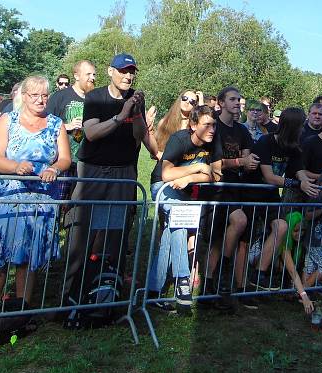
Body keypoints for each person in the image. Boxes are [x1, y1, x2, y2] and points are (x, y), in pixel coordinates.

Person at [0, 75, 71, 337]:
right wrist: (15, 168)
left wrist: (54, 168)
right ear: (23, 96)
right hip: (6, 196)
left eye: (44, 95)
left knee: (30, 257)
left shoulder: (56, 124)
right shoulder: (8, 120)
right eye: (34, 95)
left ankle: (21, 315)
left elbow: (65, 159)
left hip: (40, 198)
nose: (40, 100)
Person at [64, 53, 157, 303]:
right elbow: (91, 133)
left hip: (123, 172)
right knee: (82, 230)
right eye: (123, 70)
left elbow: (138, 135)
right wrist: (120, 115)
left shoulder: (136, 97)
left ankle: (106, 289)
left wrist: (136, 114)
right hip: (93, 170)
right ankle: (71, 290)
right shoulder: (96, 97)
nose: (128, 75)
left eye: (132, 71)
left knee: (115, 231)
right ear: (110, 72)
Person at [147, 105, 222, 313]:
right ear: (193, 125)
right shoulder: (179, 139)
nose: (212, 130)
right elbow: (166, 175)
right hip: (161, 187)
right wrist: (197, 167)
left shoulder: (214, 141)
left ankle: (153, 291)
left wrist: (190, 177)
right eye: (207, 125)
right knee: (180, 221)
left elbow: (216, 175)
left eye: (214, 124)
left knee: (172, 235)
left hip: (184, 190)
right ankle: (182, 279)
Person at [241, 108, 318, 292]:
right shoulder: (265, 141)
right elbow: (269, 177)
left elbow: (300, 172)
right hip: (252, 194)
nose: (303, 130)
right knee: (247, 239)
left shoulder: (294, 148)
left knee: (281, 227)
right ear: (293, 127)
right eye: (301, 125)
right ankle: (239, 281)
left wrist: (308, 184)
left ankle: (259, 273)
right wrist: (298, 184)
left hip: (270, 195)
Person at [198, 86, 253, 309]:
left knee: (238, 222)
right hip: (215, 188)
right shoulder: (214, 127)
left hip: (235, 188)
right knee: (216, 240)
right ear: (220, 102)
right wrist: (239, 162)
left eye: (239, 99)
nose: (237, 103)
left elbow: (248, 158)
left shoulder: (242, 131)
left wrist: (244, 162)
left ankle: (221, 276)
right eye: (232, 99)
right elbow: (214, 163)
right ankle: (209, 285)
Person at [45, 60, 97, 201]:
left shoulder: (96, 98)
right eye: (88, 74)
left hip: (86, 162)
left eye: (94, 74)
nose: (92, 78)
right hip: (62, 161)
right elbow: (44, 124)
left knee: (77, 206)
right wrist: (66, 126)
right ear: (76, 75)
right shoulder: (60, 96)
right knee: (57, 201)